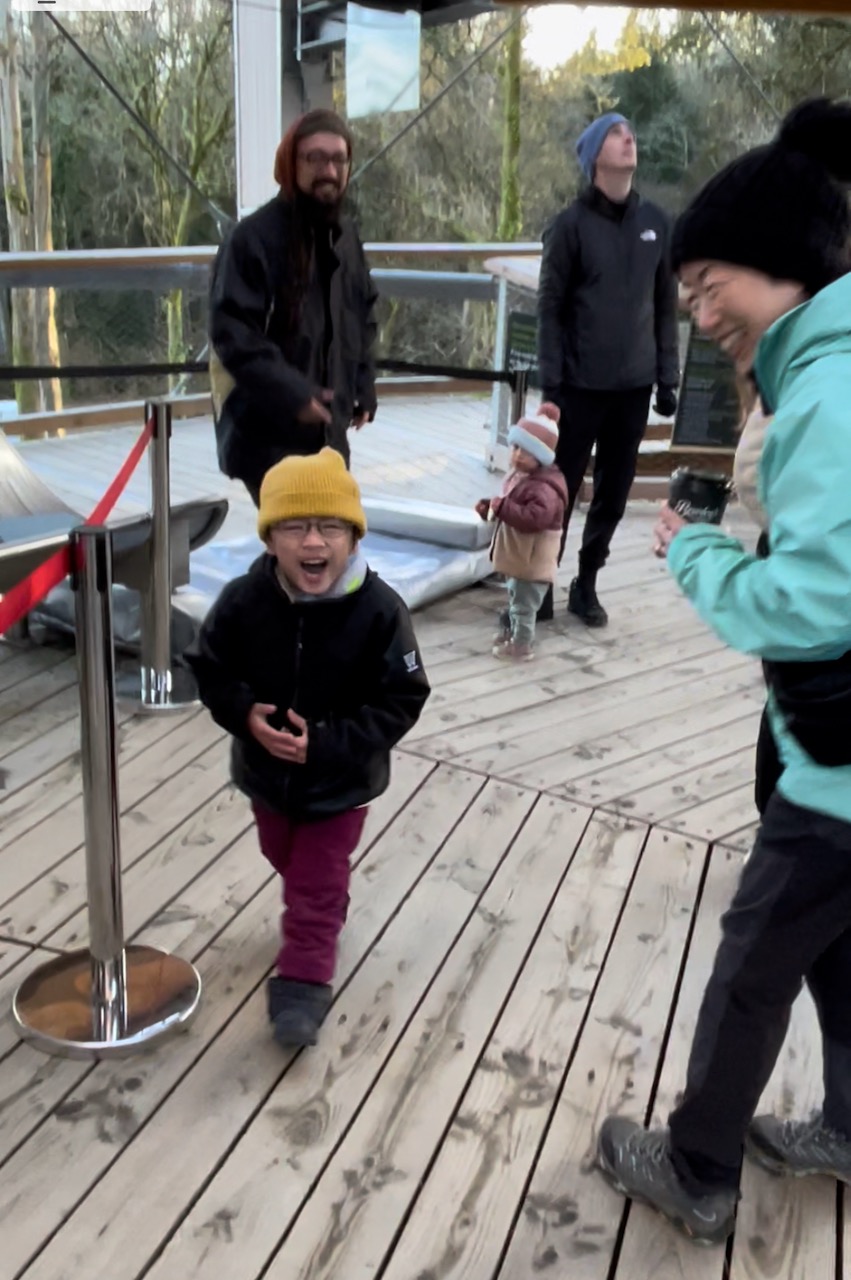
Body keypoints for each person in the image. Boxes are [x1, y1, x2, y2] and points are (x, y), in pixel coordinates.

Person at [596, 98, 851, 1247]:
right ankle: (846, 1122)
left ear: (781, 264)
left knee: (752, 962)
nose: (699, 315)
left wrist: (694, 554)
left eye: (708, 286)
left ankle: (695, 1165)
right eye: (687, 295)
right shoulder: (823, 371)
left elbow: (811, 604)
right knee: (837, 948)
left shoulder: (826, 397)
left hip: (835, 774)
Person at [185, 448, 430, 1047]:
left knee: (313, 885)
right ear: (270, 539)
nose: (313, 541)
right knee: (283, 855)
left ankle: (303, 981)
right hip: (266, 776)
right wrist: (244, 713)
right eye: (294, 527)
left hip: (341, 783)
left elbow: (403, 697)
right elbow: (208, 666)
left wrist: (326, 745)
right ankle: (321, 903)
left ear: (353, 537)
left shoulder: (381, 611)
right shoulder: (243, 601)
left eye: (330, 527)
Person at [537, 111, 680, 628]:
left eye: (630, 131)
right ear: (595, 156)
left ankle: (587, 583)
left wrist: (668, 376)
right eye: (616, 133)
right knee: (557, 493)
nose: (629, 137)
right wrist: (551, 386)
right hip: (577, 387)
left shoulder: (656, 223)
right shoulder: (570, 226)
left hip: (633, 386)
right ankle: (539, 583)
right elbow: (549, 309)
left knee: (614, 494)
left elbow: (666, 305)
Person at [208, 109, 378, 505]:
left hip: (327, 432)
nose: (328, 170)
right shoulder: (251, 240)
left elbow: (363, 314)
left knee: (324, 529)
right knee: (300, 530)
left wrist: (363, 385)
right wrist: (295, 395)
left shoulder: (345, 237)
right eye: (314, 158)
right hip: (266, 433)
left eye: (338, 159)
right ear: (291, 163)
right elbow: (233, 333)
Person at [476, 403, 567, 662]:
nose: (517, 456)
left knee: (524, 607)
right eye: (515, 447)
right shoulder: (521, 477)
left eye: (526, 452)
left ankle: (522, 645)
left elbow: (534, 518)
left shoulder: (544, 488)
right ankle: (514, 634)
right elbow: (509, 507)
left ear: (542, 457)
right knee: (516, 599)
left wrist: (502, 507)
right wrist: (490, 508)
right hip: (521, 557)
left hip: (533, 561)